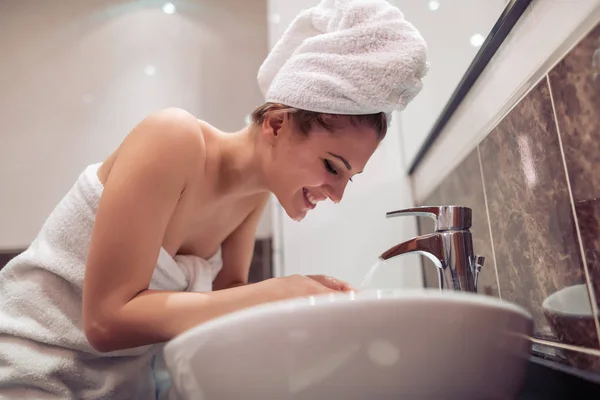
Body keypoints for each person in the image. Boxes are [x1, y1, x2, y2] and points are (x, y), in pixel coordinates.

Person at [0, 0, 428, 398]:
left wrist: (311, 312)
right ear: (277, 124)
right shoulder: (173, 138)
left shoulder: (252, 196)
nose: (335, 194)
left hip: (121, 386)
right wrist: (276, 292)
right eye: (333, 166)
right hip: (31, 372)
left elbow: (230, 308)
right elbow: (105, 321)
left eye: (348, 179)